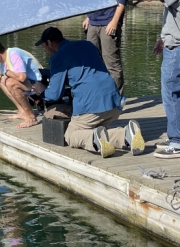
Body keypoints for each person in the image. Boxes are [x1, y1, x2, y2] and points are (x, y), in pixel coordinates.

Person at [101, 0, 180, 159]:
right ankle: (177, 137)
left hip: (178, 48)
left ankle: (178, 143)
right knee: (177, 95)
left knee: (171, 95)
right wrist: (163, 38)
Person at [32, 27, 145, 158]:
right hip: (114, 103)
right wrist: (46, 73)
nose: (44, 50)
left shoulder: (58, 57)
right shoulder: (87, 45)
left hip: (91, 107)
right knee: (95, 131)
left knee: (71, 135)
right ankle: (126, 135)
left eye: (43, 46)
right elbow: (81, 71)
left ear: (50, 42)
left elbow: (54, 95)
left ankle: (93, 138)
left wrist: (41, 90)